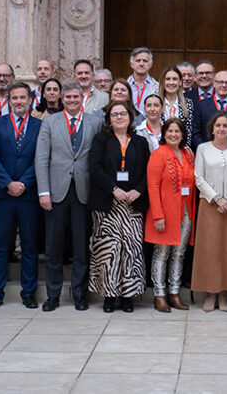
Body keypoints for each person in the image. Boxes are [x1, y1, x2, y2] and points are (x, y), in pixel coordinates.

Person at [36, 82, 104, 312]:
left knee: (81, 247)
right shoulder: (49, 122)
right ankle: (53, 295)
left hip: (84, 193)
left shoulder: (95, 122)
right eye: (69, 97)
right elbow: (41, 158)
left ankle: (79, 294)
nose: (73, 100)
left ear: (82, 99)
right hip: (56, 192)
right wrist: (43, 192)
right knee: (53, 247)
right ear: (62, 100)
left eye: (77, 97)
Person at [87, 101, 150, 312]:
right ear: (109, 119)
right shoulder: (101, 140)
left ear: (131, 118)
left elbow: (147, 172)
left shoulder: (140, 142)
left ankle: (128, 297)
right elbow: (94, 168)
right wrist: (114, 189)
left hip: (132, 204)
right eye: (115, 114)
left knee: (131, 250)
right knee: (108, 251)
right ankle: (108, 295)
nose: (119, 117)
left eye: (123, 114)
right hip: (108, 204)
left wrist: (137, 191)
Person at [0, 82, 42, 309]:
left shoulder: (40, 126)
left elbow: (41, 157)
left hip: (28, 195)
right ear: (9, 101)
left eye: (22, 98)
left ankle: (28, 292)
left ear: (30, 100)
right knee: (0, 246)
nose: (19, 102)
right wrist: (8, 183)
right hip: (2, 194)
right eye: (14, 98)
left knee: (29, 245)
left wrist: (24, 183)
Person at [192, 111, 227, 312]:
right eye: (218, 126)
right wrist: (217, 198)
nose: (221, 129)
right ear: (212, 128)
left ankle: (225, 293)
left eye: (225, 126)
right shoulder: (203, 149)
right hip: (210, 205)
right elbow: (199, 178)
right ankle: (210, 292)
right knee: (210, 250)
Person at [146, 118, 196, 312]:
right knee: (162, 253)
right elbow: (153, 186)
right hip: (165, 213)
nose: (173, 134)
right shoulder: (158, 155)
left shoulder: (187, 153)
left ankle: (174, 292)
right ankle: (159, 294)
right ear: (164, 134)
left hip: (185, 212)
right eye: (170, 131)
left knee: (179, 253)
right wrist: (157, 215)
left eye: (177, 131)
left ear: (183, 134)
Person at [193, 70, 227, 148]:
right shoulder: (201, 105)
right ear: (214, 83)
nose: (224, 85)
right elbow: (195, 132)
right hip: (207, 152)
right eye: (220, 82)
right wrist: (205, 149)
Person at [158, 66, 194, 148]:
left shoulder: (188, 103)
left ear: (180, 82)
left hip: (181, 150)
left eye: (174, 79)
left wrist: (183, 151)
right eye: (168, 79)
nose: (171, 82)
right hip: (160, 150)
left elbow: (188, 132)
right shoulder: (156, 103)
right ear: (163, 82)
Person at [128, 47, 159, 114]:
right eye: (138, 61)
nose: (141, 64)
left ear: (150, 65)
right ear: (131, 64)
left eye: (145, 61)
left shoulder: (158, 87)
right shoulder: (124, 86)